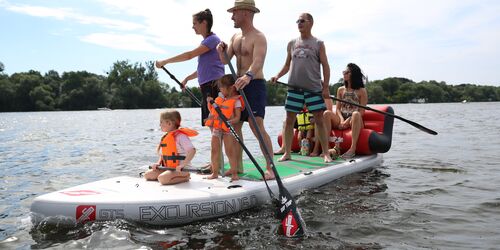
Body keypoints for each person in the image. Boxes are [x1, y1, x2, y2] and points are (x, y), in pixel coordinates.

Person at [216, 0, 276, 180]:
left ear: (245, 13)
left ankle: (270, 167)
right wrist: (221, 51)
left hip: (254, 83)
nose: (231, 16)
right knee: (234, 125)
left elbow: (258, 62)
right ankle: (238, 167)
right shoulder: (235, 37)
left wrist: (248, 75)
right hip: (237, 86)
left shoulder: (259, 37)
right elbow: (225, 62)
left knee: (255, 124)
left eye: (234, 12)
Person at [270, 13, 333, 163]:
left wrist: (325, 87)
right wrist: (277, 76)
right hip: (294, 89)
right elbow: (287, 65)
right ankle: (287, 153)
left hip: (313, 89)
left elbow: (325, 65)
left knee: (319, 120)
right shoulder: (292, 43)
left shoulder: (318, 43)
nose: (299, 23)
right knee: (289, 119)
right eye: (297, 21)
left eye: (302, 21)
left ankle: (326, 153)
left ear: (310, 23)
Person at [155, 9, 224, 127]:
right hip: (206, 87)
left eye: (195, 23)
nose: (193, 27)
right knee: (212, 127)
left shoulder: (212, 40)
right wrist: (187, 78)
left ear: (204, 23)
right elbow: (203, 69)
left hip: (212, 87)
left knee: (216, 127)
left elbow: (189, 55)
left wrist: (165, 61)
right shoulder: (207, 42)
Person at [324, 63, 368, 159]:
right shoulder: (340, 90)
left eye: (346, 72)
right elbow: (338, 109)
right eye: (343, 72)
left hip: (354, 120)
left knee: (356, 114)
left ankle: (352, 149)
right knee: (326, 113)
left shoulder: (361, 91)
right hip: (341, 119)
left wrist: (347, 121)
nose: (344, 74)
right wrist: (341, 120)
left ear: (353, 74)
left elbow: (362, 112)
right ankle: (327, 148)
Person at [205, 74, 244, 181]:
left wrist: (229, 122)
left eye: (222, 87)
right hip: (216, 129)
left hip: (227, 130)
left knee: (229, 151)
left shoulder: (236, 101)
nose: (220, 89)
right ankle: (215, 172)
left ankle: (234, 173)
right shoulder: (219, 99)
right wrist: (209, 103)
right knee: (214, 150)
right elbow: (213, 112)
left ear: (231, 87)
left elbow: (237, 118)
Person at [144, 110, 197, 185]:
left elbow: (192, 150)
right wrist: (158, 163)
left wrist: (183, 165)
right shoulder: (166, 137)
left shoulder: (181, 137)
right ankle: (168, 175)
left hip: (181, 169)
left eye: (161, 122)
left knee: (162, 179)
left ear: (169, 123)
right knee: (147, 175)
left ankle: (186, 176)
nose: (160, 125)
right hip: (168, 168)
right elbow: (163, 155)